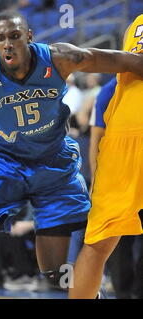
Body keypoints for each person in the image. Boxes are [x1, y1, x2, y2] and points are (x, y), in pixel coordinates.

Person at [0, 10, 143, 299]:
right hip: (3, 163)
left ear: (29, 36)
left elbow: (120, 59)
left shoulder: (60, 58)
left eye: (14, 36)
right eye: (0, 39)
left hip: (52, 163)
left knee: (56, 274)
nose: (8, 44)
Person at [70, 15, 143, 298]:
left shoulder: (135, 23)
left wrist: (83, 58)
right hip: (122, 132)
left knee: (98, 244)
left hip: (123, 131)